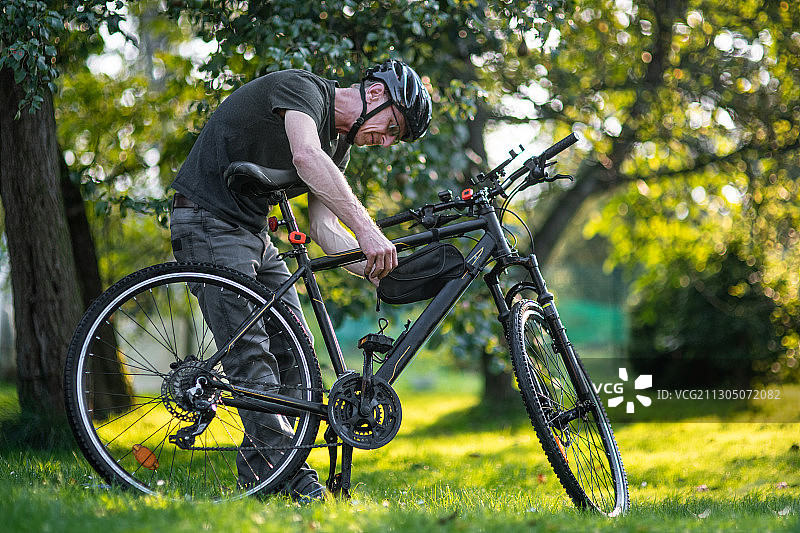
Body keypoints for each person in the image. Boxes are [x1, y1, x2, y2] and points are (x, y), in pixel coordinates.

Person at [169, 59, 432, 502]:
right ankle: (291, 475)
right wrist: (369, 231)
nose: (386, 142)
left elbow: (323, 228)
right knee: (251, 352)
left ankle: (264, 472)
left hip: (251, 232)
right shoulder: (303, 90)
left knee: (297, 348)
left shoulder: (339, 147)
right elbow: (306, 156)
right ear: (374, 95)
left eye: (394, 138)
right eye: (391, 127)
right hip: (207, 219)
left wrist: (369, 266)